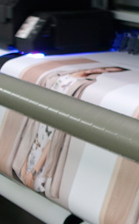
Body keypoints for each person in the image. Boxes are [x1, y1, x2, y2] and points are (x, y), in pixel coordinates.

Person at [11, 65, 128, 197]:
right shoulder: (59, 75)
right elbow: (31, 134)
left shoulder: (84, 86)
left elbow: (53, 140)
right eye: (105, 68)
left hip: (48, 134)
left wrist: (33, 173)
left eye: (107, 71)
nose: (100, 70)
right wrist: (25, 169)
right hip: (42, 126)